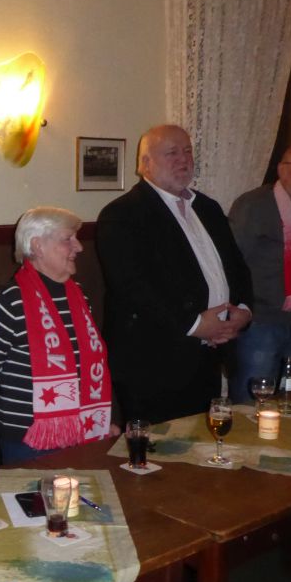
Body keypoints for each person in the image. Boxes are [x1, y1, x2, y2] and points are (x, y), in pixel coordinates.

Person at [96, 124, 252, 423]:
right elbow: (132, 286)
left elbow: (237, 267)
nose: (183, 159)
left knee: (199, 442)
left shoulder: (208, 208)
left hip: (209, 356)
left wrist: (243, 310)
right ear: (145, 164)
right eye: (172, 153)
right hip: (153, 362)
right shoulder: (122, 214)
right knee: (159, 448)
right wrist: (195, 324)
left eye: (187, 151)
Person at [0, 207, 115, 465]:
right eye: (68, 239)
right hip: (27, 440)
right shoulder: (9, 301)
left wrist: (103, 420)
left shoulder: (78, 296)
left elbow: (88, 366)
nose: (79, 247)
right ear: (37, 246)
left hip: (82, 431)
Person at [227, 144, 291, 402]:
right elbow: (231, 262)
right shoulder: (255, 205)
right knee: (251, 405)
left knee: (288, 402)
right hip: (260, 324)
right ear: (282, 170)